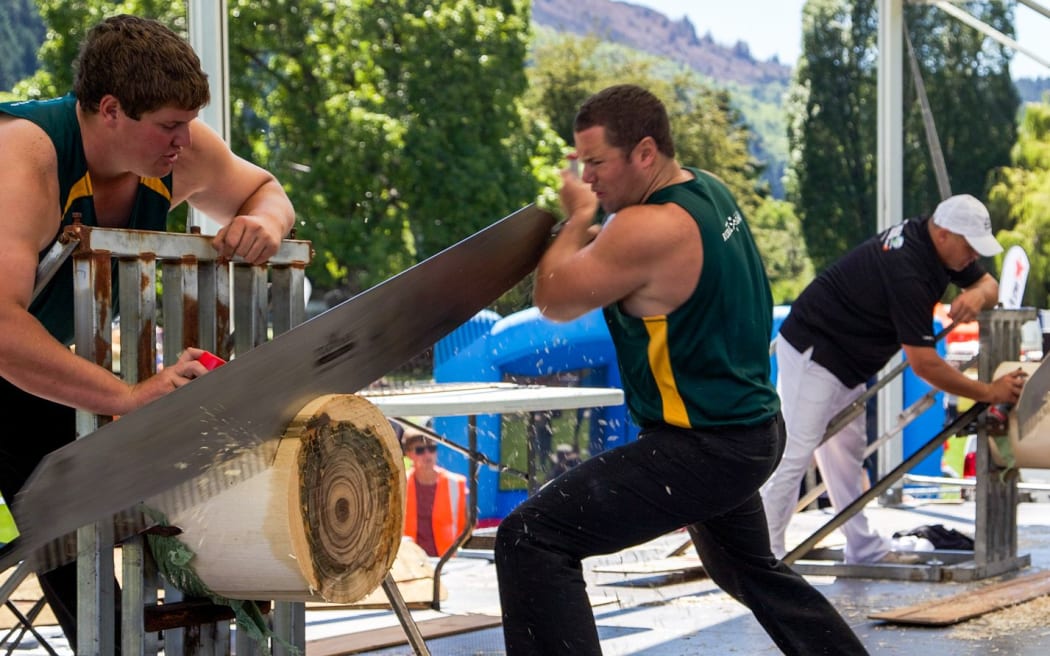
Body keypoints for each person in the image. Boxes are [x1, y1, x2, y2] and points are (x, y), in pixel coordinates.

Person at [495, 84, 868, 656]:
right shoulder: (706, 191)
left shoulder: (645, 228)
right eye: (581, 164)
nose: (587, 177)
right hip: (752, 430)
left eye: (597, 163)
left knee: (531, 537)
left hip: (705, 449)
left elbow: (554, 298)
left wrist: (577, 220)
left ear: (645, 153)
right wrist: (595, 232)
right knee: (750, 570)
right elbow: (623, 258)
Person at [0, 14, 294, 648]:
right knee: (65, 511)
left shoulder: (173, 147)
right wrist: (129, 398)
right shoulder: (23, 157)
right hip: (8, 359)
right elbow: (0, 330)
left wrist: (266, 223)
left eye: (187, 122)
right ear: (110, 110)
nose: (185, 141)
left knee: (98, 511)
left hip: (25, 372)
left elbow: (263, 189)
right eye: (169, 126)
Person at [759, 194, 1026, 565]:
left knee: (845, 459)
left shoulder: (938, 244)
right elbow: (925, 365)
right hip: (814, 349)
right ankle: (763, 557)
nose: (972, 258)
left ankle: (862, 548)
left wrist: (978, 294)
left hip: (847, 359)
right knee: (796, 452)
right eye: (969, 247)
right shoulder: (907, 268)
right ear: (945, 234)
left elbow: (990, 285)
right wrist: (988, 392)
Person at [399, 422, 469, 557]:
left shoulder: (455, 483)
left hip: (446, 560)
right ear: (408, 453)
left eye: (432, 448)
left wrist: (454, 549)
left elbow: (468, 524)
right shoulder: (400, 485)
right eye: (420, 450)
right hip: (411, 561)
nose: (427, 454)